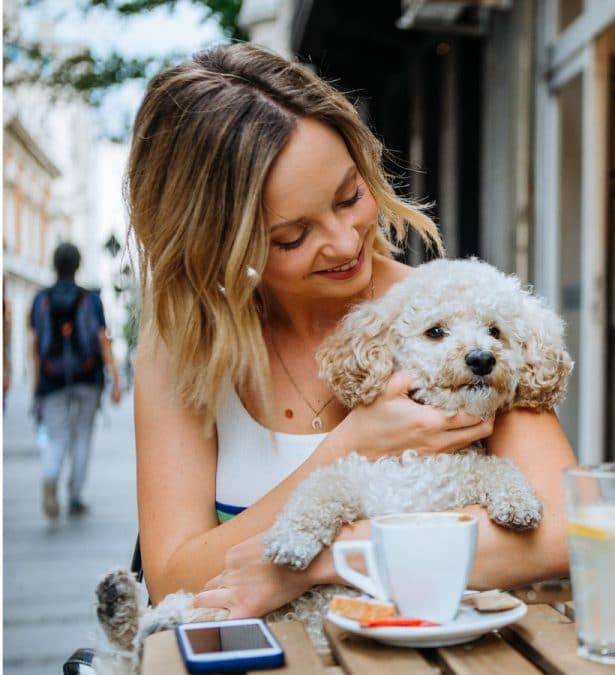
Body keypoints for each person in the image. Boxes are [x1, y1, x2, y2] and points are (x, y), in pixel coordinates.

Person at [126, 42, 575, 618]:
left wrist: (330, 556)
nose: (343, 243)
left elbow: (562, 529)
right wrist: (350, 446)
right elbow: (174, 579)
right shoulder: (186, 348)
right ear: (215, 244)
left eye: (349, 196)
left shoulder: (451, 315)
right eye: (292, 236)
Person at [29, 242, 123, 517]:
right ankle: (75, 496)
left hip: (51, 379)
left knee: (56, 436)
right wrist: (116, 379)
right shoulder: (90, 299)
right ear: (78, 265)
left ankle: (50, 477)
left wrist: (37, 384)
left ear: (54, 265)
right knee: (82, 435)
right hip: (87, 377)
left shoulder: (40, 299)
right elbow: (102, 340)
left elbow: (34, 345)